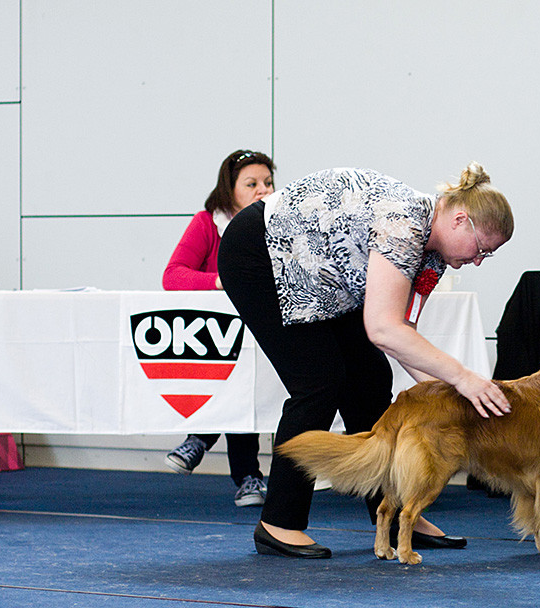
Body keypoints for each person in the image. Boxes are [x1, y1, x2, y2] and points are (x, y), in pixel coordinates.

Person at [218, 162, 514, 559]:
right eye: (481, 250)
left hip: (319, 273)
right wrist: (463, 379)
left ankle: (390, 515)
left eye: (487, 256)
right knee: (319, 382)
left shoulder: (435, 250)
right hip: (258, 253)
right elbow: (383, 330)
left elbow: (401, 333)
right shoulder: (404, 224)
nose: (478, 260)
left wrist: (456, 390)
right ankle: (279, 522)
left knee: (369, 380)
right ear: (460, 219)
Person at [162, 149, 276, 507]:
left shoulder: (278, 223)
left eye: (268, 183)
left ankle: (200, 439)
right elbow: (173, 276)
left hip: (262, 329)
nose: (263, 190)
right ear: (230, 190)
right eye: (252, 184)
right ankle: (248, 477)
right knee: (237, 379)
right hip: (215, 333)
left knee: (251, 382)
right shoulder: (206, 223)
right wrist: (221, 281)